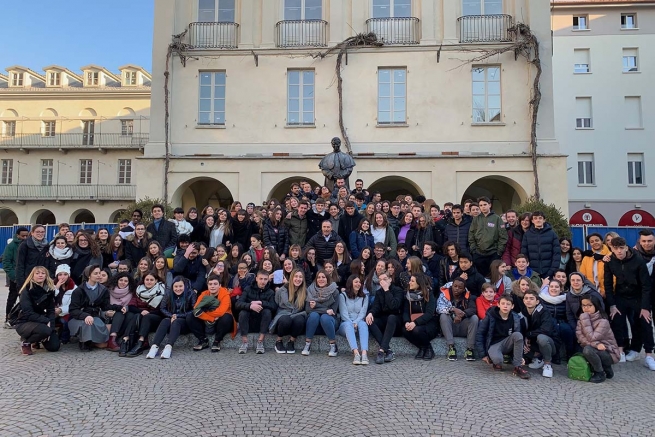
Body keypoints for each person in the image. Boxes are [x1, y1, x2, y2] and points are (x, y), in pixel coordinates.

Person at [604, 237, 655, 368]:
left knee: (645, 322)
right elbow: (608, 285)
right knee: (617, 321)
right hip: (620, 295)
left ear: (626, 247)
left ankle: (649, 355)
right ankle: (620, 351)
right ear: (611, 249)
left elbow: (646, 285)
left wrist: (645, 307)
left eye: (621, 248)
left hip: (637, 295)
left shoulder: (638, 260)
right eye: (616, 248)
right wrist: (612, 305)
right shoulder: (610, 261)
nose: (619, 251)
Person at [146, 276, 203, 359]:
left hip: (184, 322)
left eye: (180, 286)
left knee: (177, 321)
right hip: (171, 319)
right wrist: (171, 315)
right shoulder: (168, 293)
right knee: (165, 321)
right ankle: (154, 347)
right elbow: (162, 308)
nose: (178, 289)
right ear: (172, 287)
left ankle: (168, 347)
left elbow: (194, 310)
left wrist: (177, 316)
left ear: (185, 286)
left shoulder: (191, 293)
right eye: (176, 287)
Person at [475, 294, 530, 379]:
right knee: (498, 360)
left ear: (512, 306)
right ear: (498, 304)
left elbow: (518, 340)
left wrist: (520, 357)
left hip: (507, 342)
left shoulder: (515, 318)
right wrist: (483, 354)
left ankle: (517, 367)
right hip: (494, 344)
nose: (505, 306)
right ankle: (494, 360)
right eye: (503, 303)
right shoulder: (491, 316)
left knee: (518, 335)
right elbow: (480, 334)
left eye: (508, 304)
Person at [14, 266, 60, 355]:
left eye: (43, 273)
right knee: (45, 330)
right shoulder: (26, 290)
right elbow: (28, 313)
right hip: (25, 322)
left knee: (54, 347)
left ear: (46, 276)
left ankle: (39, 339)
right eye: (37, 273)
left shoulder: (50, 289)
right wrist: (46, 321)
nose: (40, 275)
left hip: (42, 320)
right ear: (32, 275)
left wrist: (52, 327)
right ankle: (26, 342)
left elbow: (51, 310)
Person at [576, 294, 620, 383]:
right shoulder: (582, 320)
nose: (586, 308)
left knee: (587, 350)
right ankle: (605, 368)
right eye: (584, 305)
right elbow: (580, 338)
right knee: (586, 349)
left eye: (589, 305)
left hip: (609, 352)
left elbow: (591, 337)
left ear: (596, 306)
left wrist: (585, 319)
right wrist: (596, 344)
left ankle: (600, 373)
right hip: (595, 348)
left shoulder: (603, 322)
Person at [68, 265, 111, 352]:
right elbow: (73, 309)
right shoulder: (78, 291)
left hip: (95, 316)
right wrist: (85, 316)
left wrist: (109, 312)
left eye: (99, 273)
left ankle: (93, 341)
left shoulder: (103, 290)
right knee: (87, 323)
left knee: (102, 344)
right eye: (96, 273)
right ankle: (84, 341)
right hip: (79, 317)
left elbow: (105, 306)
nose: (99, 275)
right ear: (88, 275)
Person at [234, 270, 277, 354]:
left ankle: (260, 341)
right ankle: (244, 342)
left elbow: (274, 306)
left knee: (267, 311)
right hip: (248, 321)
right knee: (243, 312)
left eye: (265, 279)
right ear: (256, 278)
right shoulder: (248, 289)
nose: (263, 281)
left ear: (268, 280)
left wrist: (261, 303)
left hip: (262, 322)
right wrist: (250, 306)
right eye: (261, 279)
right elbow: (238, 304)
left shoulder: (270, 292)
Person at [124, 272, 166, 357]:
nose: (149, 282)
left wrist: (147, 313)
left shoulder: (161, 291)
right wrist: (141, 312)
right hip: (140, 318)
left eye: (151, 280)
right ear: (143, 280)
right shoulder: (138, 290)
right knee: (136, 315)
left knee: (146, 316)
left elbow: (162, 310)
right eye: (147, 279)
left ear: (156, 280)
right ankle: (126, 340)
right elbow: (131, 306)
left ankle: (141, 342)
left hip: (156, 318)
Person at [437, 277, 478, 361]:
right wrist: (453, 309)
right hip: (449, 327)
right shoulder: (444, 294)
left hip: (462, 326)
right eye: (455, 286)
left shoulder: (467, 296)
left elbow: (473, 309)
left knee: (474, 318)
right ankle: (451, 347)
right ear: (451, 286)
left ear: (463, 289)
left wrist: (462, 314)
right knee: (443, 316)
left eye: (460, 288)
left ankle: (470, 349)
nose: (457, 289)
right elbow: (439, 308)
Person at [366, 271, 403, 364]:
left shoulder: (398, 290)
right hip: (384, 320)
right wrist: (370, 313)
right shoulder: (379, 292)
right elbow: (376, 307)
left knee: (391, 317)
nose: (382, 281)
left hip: (396, 321)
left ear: (390, 279)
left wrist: (387, 290)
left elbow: (394, 306)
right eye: (380, 280)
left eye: (385, 279)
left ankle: (381, 351)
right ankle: (388, 350)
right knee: (370, 321)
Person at [302, 270, 340, 357]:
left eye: (323, 277)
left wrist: (316, 306)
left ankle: (333, 346)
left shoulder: (335, 292)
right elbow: (308, 309)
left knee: (325, 317)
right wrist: (325, 310)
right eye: (318, 277)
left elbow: (332, 311)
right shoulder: (310, 290)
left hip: (330, 323)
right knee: (314, 315)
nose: (321, 279)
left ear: (328, 279)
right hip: (314, 325)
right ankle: (307, 345)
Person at [520, 289, 557, 378]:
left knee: (542, 338)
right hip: (532, 342)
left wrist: (528, 335)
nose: (528, 300)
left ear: (537, 301)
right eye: (526, 298)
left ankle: (547, 364)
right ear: (523, 300)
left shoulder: (544, 311)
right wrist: (524, 340)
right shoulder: (523, 312)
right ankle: (538, 358)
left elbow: (546, 330)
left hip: (550, 343)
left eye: (531, 298)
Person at [194, 274, 236, 352]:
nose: (212, 286)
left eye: (215, 284)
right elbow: (196, 309)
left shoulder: (225, 294)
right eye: (210, 284)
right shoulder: (204, 294)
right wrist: (211, 318)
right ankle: (203, 340)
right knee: (190, 317)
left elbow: (220, 312)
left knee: (226, 317)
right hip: (208, 320)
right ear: (207, 285)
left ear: (220, 285)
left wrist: (204, 312)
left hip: (221, 321)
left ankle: (217, 341)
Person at [467, 197, 507, 277]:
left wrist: (499, 252)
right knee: (480, 277)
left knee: (493, 276)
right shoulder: (476, 219)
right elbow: (471, 235)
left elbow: (503, 236)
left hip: (493, 253)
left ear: (489, 205)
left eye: (485, 204)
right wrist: (473, 249)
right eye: (481, 205)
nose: (483, 207)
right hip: (478, 253)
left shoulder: (497, 218)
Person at [270, 268, 307, 354]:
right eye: (296, 276)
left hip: (297, 314)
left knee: (300, 320)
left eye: (300, 277)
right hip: (283, 314)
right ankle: (279, 341)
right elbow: (276, 303)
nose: (298, 279)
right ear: (291, 278)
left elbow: (305, 308)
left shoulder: (305, 292)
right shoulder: (282, 290)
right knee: (286, 320)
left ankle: (291, 341)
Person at [402, 273, 438, 360]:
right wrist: (407, 322)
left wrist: (415, 323)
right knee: (404, 330)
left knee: (417, 330)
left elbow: (429, 313)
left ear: (419, 283)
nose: (409, 282)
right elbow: (406, 312)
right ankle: (423, 347)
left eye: (412, 281)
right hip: (414, 322)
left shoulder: (428, 294)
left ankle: (428, 348)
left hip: (429, 323)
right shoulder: (408, 296)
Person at [539, 278, 574, 360]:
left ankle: (570, 354)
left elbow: (568, 314)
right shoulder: (542, 298)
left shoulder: (566, 299)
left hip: (562, 321)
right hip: (547, 322)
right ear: (548, 288)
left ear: (561, 289)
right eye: (551, 286)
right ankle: (554, 355)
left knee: (567, 329)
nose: (554, 289)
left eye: (556, 287)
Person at [338, 275, 370, 365]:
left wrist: (356, 322)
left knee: (363, 324)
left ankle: (364, 354)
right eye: (356, 282)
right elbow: (343, 314)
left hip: (358, 321)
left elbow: (363, 313)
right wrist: (352, 324)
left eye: (359, 282)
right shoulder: (343, 296)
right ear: (350, 283)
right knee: (348, 325)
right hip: (345, 323)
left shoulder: (365, 297)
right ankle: (356, 353)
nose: (358, 284)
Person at [520, 211, 560, 280]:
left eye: (540, 218)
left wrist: (552, 270)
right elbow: (524, 254)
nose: (538, 220)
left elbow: (557, 254)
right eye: (535, 218)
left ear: (544, 220)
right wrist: (529, 270)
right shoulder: (527, 235)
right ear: (532, 221)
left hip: (549, 272)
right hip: (532, 273)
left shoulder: (552, 234)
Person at [104, 272, 136, 353]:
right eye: (121, 280)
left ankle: (118, 338)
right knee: (119, 313)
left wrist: (126, 308)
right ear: (117, 280)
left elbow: (133, 304)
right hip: (109, 315)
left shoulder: (131, 291)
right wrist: (119, 308)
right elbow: (106, 305)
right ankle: (112, 339)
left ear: (129, 282)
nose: (123, 282)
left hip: (125, 314)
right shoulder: (109, 289)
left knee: (130, 315)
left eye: (125, 281)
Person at [3, 226, 29, 328]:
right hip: (16, 278)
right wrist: (14, 276)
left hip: (27, 278)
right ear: (18, 235)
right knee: (12, 298)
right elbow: (6, 262)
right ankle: (8, 318)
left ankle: (22, 318)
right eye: (23, 236)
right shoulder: (11, 246)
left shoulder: (29, 244)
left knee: (25, 299)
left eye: (27, 235)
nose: (25, 237)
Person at [15, 225, 50, 290]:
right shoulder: (25, 245)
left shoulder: (47, 246)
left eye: (42, 232)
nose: (40, 234)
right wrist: (20, 282)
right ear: (32, 233)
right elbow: (20, 264)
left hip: (42, 279)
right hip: (28, 279)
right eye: (38, 232)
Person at [580, 233, 612, 297]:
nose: (595, 243)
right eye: (592, 242)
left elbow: (614, 277)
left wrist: (606, 291)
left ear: (601, 241)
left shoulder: (610, 255)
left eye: (597, 240)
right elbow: (582, 276)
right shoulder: (586, 258)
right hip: (590, 292)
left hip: (607, 293)